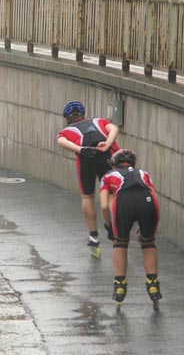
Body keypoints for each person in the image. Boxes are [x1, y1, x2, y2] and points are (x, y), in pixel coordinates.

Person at [56, 100, 120, 258]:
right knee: (111, 195)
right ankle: (115, 229)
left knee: (87, 195)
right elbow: (113, 128)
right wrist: (108, 144)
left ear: (67, 119)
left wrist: (81, 149)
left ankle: (93, 235)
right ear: (84, 114)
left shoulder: (67, 130)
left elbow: (61, 141)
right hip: (105, 154)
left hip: (85, 159)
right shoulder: (98, 121)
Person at [99, 149, 162, 308]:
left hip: (124, 202)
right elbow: (153, 195)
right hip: (147, 201)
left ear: (114, 165)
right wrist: (151, 227)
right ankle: (152, 283)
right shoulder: (144, 173)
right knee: (148, 242)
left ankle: (120, 286)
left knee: (120, 242)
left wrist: (109, 226)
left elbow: (105, 206)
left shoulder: (108, 176)